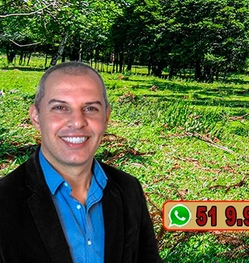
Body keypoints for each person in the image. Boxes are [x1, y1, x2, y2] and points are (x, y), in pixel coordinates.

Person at [0, 61, 161, 263]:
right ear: (36, 117)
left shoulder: (129, 189)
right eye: (60, 107)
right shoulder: (4, 200)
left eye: (91, 108)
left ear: (106, 117)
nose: (77, 122)